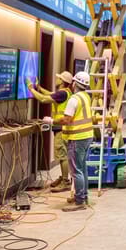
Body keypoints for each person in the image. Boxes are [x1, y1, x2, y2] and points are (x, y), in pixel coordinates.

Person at [43, 71, 95, 212]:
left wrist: (51, 120)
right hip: (87, 136)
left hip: (77, 138)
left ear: (74, 83)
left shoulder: (74, 99)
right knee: (82, 168)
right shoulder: (86, 96)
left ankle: (79, 202)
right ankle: (83, 196)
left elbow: (67, 119)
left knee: (76, 171)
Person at [28, 71, 74, 193]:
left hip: (60, 128)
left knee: (62, 156)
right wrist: (39, 88)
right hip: (63, 128)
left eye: (59, 78)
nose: (56, 79)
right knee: (62, 155)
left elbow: (43, 99)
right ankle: (64, 178)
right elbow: (50, 94)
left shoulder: (63, 93)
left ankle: (65, 182)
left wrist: (31, 89)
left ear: (63, 81)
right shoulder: (66, 92)